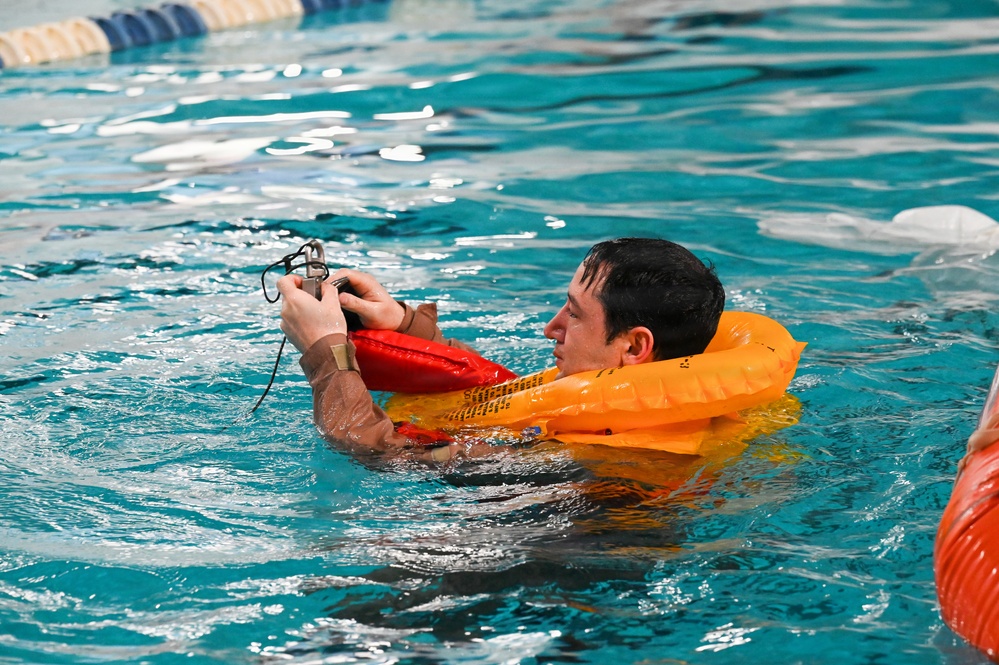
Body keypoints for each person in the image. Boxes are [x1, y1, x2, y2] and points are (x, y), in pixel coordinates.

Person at [276, 237, 725, 460]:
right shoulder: (651, 413)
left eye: (574, 313)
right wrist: (405, 326)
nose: (552, 328)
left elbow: (376, 450)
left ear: (634, 347)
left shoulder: (593, 460)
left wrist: (324, 350)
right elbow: (502, 391)